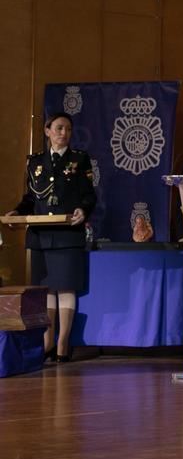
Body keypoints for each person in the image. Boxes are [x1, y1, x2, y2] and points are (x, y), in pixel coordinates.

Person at [7, 113, 96, 362]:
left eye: (68, 128)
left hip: (68, 233)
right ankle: (48, 341)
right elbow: (31, 198)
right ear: (47, 131)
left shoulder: (80, 159)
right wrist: (17, 212)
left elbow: (89, 195)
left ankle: (64, 343)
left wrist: (83, 210)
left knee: (66, 287)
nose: (63, 133)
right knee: (46, 289)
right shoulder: (34, 161)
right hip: (41, 234)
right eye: (58, 128)